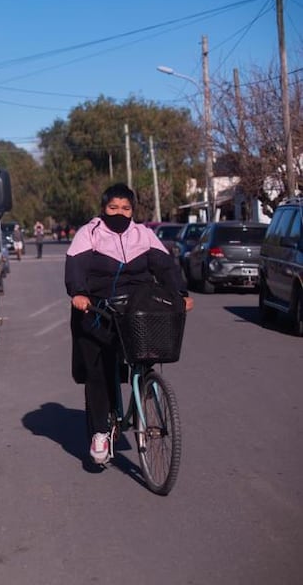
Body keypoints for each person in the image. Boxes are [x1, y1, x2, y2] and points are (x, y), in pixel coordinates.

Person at [64, 183, 193, 466]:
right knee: (98, 371)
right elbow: (76, 266)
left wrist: (181, 294)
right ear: (103, 208)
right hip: (98, 309)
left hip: (137, 309)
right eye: (113, 208)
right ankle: (100, 432)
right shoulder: (90, 233)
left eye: (125, 208)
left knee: (146, 353)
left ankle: (145, 387)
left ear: (133, 211)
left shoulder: (144, 235)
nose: (119, 213)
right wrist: (80, 293)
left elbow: (166, 267)